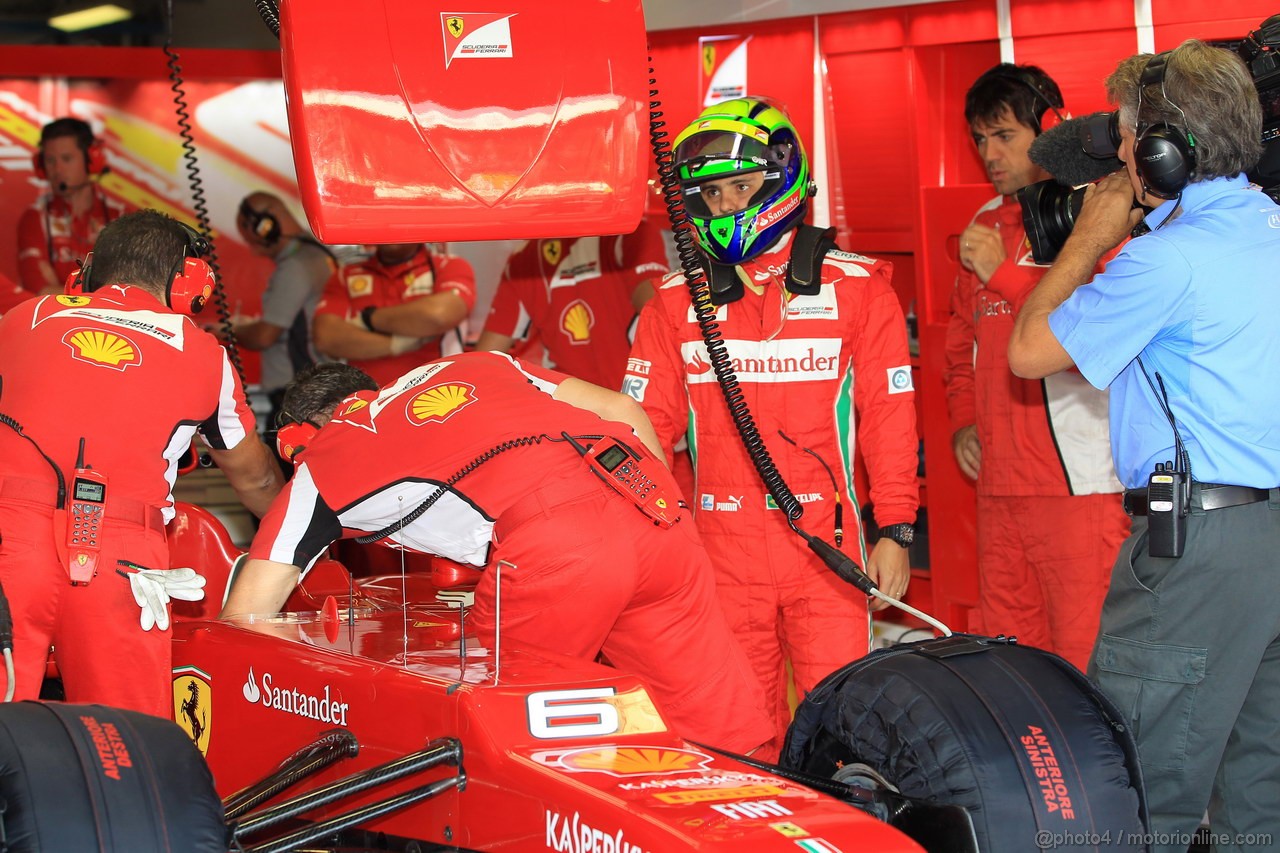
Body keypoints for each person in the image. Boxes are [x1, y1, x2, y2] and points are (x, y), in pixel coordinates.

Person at [1007, 41, 1280, 849]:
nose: (1121, 154)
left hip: (1197, 552)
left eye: (1128, 138)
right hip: (1268, 540)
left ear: (1164, 150)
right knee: (1258, 794)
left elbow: (1029, 350)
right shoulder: (1269, 224)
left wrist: (1089, 237)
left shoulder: (1165, 262)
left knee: (1135, 789)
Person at [221, 355, 772, 753]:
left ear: (300, 439)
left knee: (521, 738)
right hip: (653, 508)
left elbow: (245, 616)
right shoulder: (476, 363)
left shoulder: (321, 465)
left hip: (558, 544)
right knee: (712, 725)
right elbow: (622, 408)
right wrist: (665, 515)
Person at [622, 97, 919, 758]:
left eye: (740, 185)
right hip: (716, 555)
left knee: (839, 732)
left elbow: (890, 421)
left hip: (825, 548)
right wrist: (658, 547)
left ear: (781, 178)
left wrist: (896, 528)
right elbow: (643, 436)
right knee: (732, 736)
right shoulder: (675, 301)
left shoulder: (859, 288)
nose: (724, 202)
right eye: (710, 192)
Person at [0, 209, 284, 717]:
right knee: (125, 746)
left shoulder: (24, 317)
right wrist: (311, 534)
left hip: (8, 538)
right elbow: (256, 476)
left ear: (86, 274)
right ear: (191, 285)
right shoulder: (205, 355)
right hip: (124, 559)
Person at [943, 64, 1129, 671]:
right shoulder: (982, 229)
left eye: (1004, 136)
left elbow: (1092, 338)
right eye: (979, 139)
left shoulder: (1096, 216)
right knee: (1014, 668)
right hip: (999, 488)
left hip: (1079, 488)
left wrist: (1003, 272)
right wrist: (964, 422)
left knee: (1086, 663)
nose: (989, 154)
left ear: (1048, 129)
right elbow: (959, 348)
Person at [475, 221, 669, 389]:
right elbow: (659, 311)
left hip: (571, 409)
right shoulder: (633, 232)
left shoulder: (522, 257)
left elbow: (485, 359)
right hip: (635, 400)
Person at [233, 192, 338, 424]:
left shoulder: (295, 266)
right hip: (318, 392)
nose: (254, 250)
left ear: (265, 226)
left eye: (251, 239)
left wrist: (228, 331)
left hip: (298, 398)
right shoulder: (318, 252)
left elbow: (264, 336)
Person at [312, 243, 475, 386]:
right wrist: (399, 343)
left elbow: (439, 315)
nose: (390, 230)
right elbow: (326, 338)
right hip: (366, 400)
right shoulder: (345, 275)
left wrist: (367, 319)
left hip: (435, 392)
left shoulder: (448, 265)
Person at [17, 118, 126, 296]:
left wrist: (61, 289)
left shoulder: (120, 217)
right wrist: (100, 292)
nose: (57, 169)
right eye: (50, 160)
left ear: (92, 159)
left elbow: (127, 289)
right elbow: (40, 291)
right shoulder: (34, 217)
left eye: (66, 159)